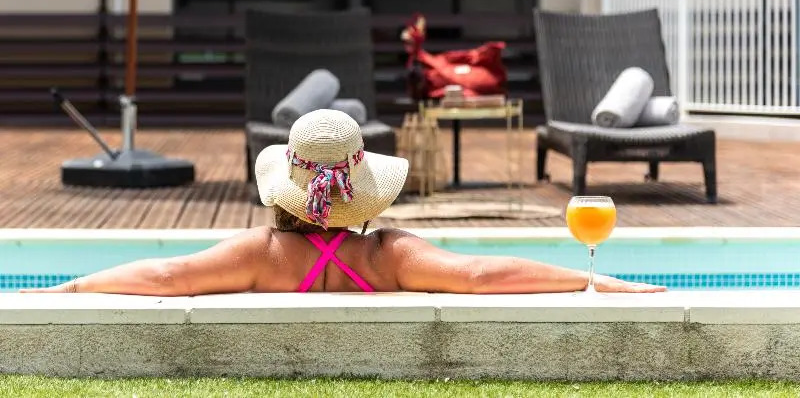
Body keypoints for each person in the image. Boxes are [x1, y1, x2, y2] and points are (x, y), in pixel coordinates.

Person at [21, 110, 665, 296]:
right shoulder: (388, 255)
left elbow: (168, 277)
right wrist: (592, 279)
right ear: (361, 189)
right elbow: (479, 275)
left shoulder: (262, 255)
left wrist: (72, 286)